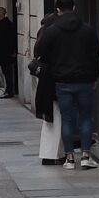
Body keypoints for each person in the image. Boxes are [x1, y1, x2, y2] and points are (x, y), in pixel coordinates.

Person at [33, 0, 99, 170]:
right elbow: (97, 54)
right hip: (84, 80)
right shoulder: (87, 29)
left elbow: (40, 52)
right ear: (74, 7)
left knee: (67, 119)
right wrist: (94, 76)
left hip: (62, 81)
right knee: (85, 117)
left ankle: (69, 158)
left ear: (58, 9)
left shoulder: (52, 31)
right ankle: (86, 156)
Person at [32, 13, 62, 165]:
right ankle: (55, 153)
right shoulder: (55, 37)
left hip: (45, 82)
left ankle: (49, 153)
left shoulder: (42, 35)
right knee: (58, 117)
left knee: (50, 121)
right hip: (55, 80)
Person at [0, 6, 18, 98]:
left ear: (2, 13)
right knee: (6, 72)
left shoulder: (7, 24)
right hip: (3, 53)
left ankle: (9, 91)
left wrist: (12, 51)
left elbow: (10, 39)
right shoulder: (1, 24)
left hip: (6, 53)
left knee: (7, 73)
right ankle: (8, 90)